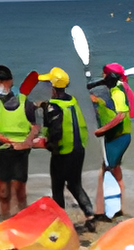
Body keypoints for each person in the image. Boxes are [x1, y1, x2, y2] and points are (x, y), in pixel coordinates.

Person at [37, 66, 96, 232]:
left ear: (53, 88)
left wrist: (49, 145)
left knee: (58, 186)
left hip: (63, 152)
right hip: (78, 149)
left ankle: (60, 222)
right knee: (75, 184)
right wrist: (43, 106)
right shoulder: (72, 100)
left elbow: (56, 130)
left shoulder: (52, 107)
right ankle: (90, 215)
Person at [0, 65, 39, 219]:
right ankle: (4, 214)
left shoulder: (26, 103)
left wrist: (28, 141)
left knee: (19, 187)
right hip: (3, 149)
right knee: (4, 187)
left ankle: (23, 214)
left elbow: (34, 126)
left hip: (22, 150)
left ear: (9, 82)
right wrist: (11, 142)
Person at [90, 62, 134, 219]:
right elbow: (106, 105)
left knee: (105, 172)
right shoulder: (115, 89)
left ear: (109, 76)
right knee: (114, 171)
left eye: (104, 74)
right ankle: (119, 208)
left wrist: (102, 130)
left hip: (118, 137)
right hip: (119, 136)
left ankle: (101, 211)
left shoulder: (117, 92)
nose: (102, 76)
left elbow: (120, 115)